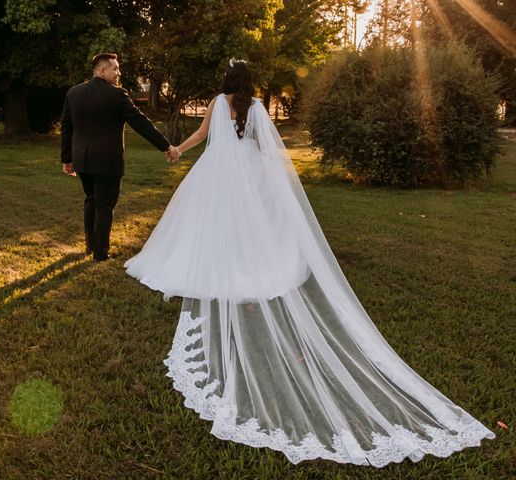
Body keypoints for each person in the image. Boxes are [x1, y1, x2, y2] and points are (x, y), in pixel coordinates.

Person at [124, 59, 495, 466]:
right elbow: (267, 149)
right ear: (249, 81)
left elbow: (200, 134)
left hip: (217, 174)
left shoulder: (216, 102)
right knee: (251, 228)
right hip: (246, 172)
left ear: (227, 80)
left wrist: (177, 150)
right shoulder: (258, 108)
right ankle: (248, 266)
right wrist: (269, 180)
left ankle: (217, 264)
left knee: (214, 223)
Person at [61, 53, 180, 262]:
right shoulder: (117, 95)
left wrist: (67, 159)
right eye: (115, 69)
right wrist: (166, 146)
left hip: (83, 159)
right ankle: (100, 253)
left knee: (91, 200)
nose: (119, 73)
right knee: (104, 205)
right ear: (102, 70)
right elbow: (140, 123)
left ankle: (90, 246)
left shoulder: (74, 93)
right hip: (107, 160)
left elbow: (66, 130)